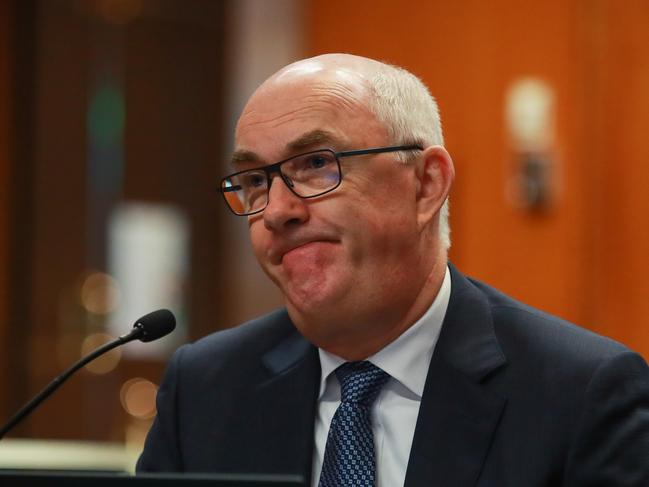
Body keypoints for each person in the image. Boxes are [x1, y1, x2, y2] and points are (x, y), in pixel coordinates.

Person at [137, 54, 649, 486]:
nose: (275, 211)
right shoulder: (205, 390)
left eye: (316, 165)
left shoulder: (582, 394)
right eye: (253, 179)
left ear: (426, 185)